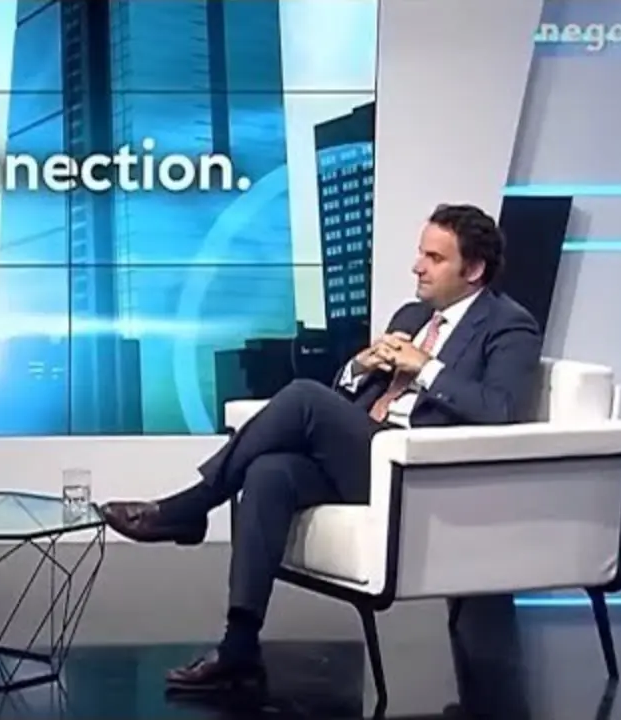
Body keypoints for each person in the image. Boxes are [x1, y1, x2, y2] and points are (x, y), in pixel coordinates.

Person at [100, 203, 543, 694]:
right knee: (269, 473)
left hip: (414, 471)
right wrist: (359, 367)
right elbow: (345, 396)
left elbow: (500, 410)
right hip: (365, 453)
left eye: (434, 258)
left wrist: (426, 368)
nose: (417, 266)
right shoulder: (414, 315)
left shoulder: (509, 325)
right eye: (421, 253)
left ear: (474, 269)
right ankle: (239, 645)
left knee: (303, 397)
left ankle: (189, 507)